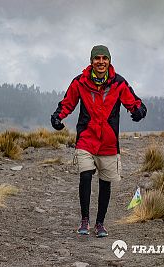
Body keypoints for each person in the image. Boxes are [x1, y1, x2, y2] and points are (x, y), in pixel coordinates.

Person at [50, 45, 147, 237]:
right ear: (91, 61)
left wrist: (139, 111)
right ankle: (84, 219)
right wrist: (57, 117)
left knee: (105, 183)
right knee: (85, 175)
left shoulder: (119, 83)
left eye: (104, 58)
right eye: (97, 58)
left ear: (109, 61)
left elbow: (134, 102)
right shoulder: (80, 82)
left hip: (108, 142)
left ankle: (100, 223)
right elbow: (68, 102)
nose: (101, 62)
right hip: (86, 138)